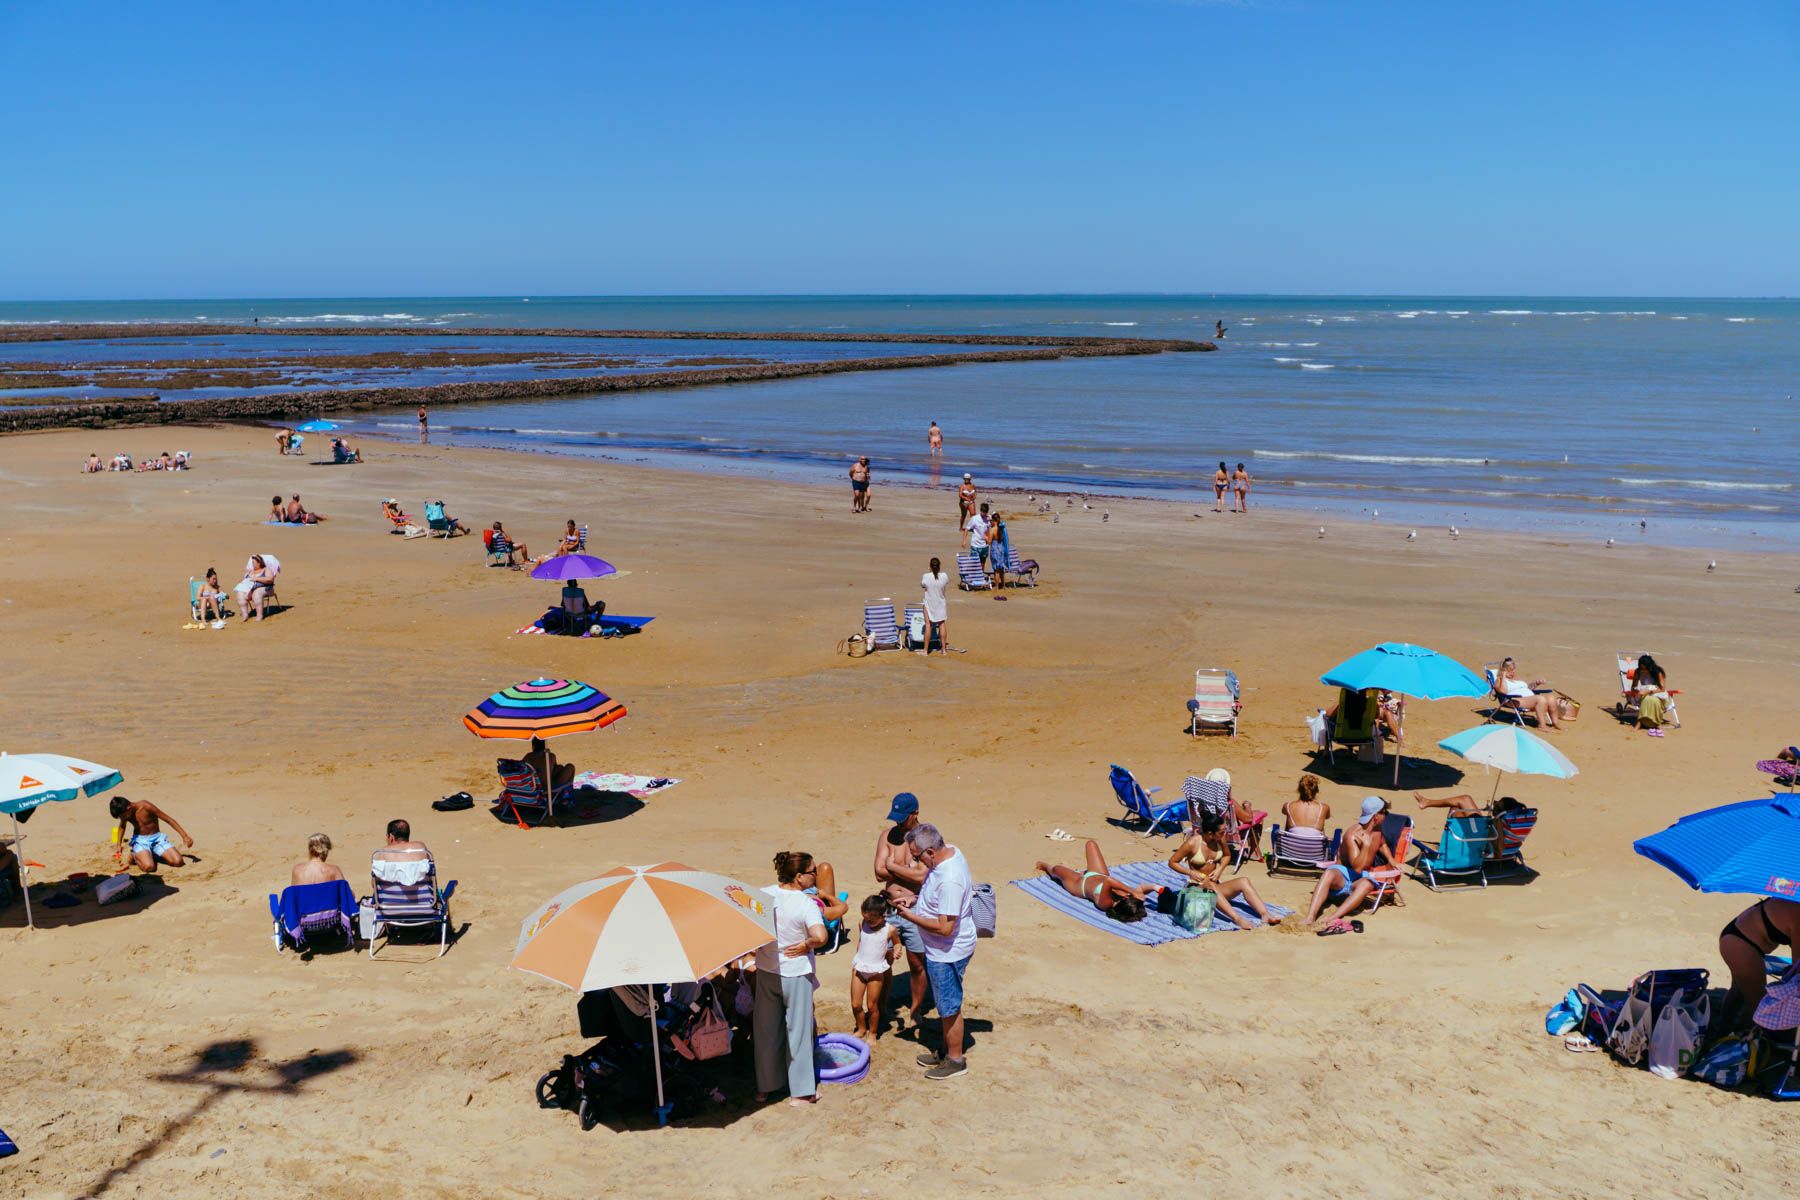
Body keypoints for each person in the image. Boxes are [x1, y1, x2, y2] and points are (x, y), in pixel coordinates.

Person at [891, 823, 975, 1080]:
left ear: (930, 852)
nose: (917, 863)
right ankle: (945, 1049)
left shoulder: (950, 879)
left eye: (917, 857)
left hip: (947, 951)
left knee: (948, 1007)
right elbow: (933, 893)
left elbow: (945, 927)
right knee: (943, 1004)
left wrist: (911, 916)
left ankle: (955, 1059)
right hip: (943, 949)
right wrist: (915, 901)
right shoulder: (949, 853)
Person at [754, 850, 828, 1106]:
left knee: (766, 1031)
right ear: (799, 877)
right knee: (798, 1031)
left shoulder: (763, 895)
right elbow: (821, 937)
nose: (816, 875)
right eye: (812, 872)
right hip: (795, 973)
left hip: (766, 969)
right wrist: (806, 944)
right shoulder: (805, 904)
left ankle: (765, 1087)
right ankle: (801, 1091)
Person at [873, 793, 931, 1027]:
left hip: (916, 908)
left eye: (902, 818)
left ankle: (916, 1010)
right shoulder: (887, 836)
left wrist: (891, 865)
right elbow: (878, 873)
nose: (897, 823)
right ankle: (882, 1005)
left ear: (915, 813)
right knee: (881, 959)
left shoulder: (927, 837)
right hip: (889, 907)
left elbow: (921, 875)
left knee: (917, 963)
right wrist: (905, 868)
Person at [1168, 811, 1283, 928]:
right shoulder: (1192, 843)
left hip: (1215, 887)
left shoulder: (1220, 839)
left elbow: (1227, 856)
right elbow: (1172, 862)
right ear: (1210, 834)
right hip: (1196, 889)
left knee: (1243, 881)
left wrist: (1220, 869)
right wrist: (1190, 872)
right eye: (1222, 832)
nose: (1225, 834)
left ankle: (1265, 914)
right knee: (1210, 886)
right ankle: (1237, 919)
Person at [1302, 797, 1399, 927]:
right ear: (1376, 816)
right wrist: (1365, 846)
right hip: (1342, 878)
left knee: (1367, 884)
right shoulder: (1352, 835)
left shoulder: (1378, 831)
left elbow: (1382, 844)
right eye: (1385, 812)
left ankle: (1333, 917)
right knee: (1329, 873)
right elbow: (1357, 868)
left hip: (1359, 880)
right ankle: (1310, 917)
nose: (1386, 816)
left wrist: (1391, 859)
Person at [1719, 897, 1800, 1030]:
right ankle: (1755, 1041)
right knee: (1759, 1007)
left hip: (1734, 937)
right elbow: (1797, 966)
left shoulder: (1793, 898)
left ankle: (1721, 1029)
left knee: (1738, 992)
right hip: (1742, 947)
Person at [1036, 839, 1149, 922]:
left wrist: (1133, 892)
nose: (1128, 896)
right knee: (1091, 844)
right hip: (1099, 874)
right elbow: (1142, 889)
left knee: (1056, 870)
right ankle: (1082, 872)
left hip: (1079, 885)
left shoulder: (1106, 904)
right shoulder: (1127, 900)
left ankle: (1045, 866)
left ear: (1123, 904)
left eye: (1128, 898)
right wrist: (1154, 888)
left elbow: (1109, 881)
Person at [850, 895, 902, 1042]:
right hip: (860, 968)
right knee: (855, 1004)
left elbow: (897, 943)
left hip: (876, 971)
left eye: (872, 920)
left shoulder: (889, 929)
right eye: (866, 918)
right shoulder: (862, 924)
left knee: (872, 1006)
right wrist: (858, 957)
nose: (868, 921)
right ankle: (861, 1028)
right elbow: (861, 940)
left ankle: (872, 1032)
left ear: (882, 915)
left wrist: (897, 950)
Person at [110, 796, 192, 872]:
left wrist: (185, 836)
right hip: (140, 840)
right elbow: (122, 826)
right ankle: (134, 855)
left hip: (157, 839)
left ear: (129, 808)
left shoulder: (146, 806)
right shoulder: (125, 813)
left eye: (122, 816)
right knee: (149, 867)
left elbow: (169, 820)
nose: (122, 819)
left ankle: (150, 854)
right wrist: (118, 845)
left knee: (178, 862)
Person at [1494, 656, 1559, 729]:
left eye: (1513, 670)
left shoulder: (1516, 680)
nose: (1513, 672)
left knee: (1551, 698)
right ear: (1504, 670)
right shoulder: (1499, 681)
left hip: (1528, 699)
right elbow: (1503, 692)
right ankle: (1542, 726)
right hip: (1513, 700)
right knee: (1540, 699)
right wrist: (1503, 676)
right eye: (1510, 670)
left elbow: (1527, 688)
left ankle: (1555, 723)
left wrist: (1536, 683)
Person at [1627, 654, 1673, 732]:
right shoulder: (1638, 672)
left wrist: (1649, 691)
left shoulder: (1658, 672)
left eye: (1645, 669)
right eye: (1641, 668)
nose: (1643, 670)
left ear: (1650, 666)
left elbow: (1662, 689)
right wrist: (1635, 690)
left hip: (1657, 693)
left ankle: (1646, 723)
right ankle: (1645, 723)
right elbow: (1634, 686)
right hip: (1644, 693)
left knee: (1652, 700)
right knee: (1647, 699)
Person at [920, 557, 949, 655]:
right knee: (942, 624)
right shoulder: (944, 576)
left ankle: (925, 650)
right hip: (940, 603)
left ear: (930, 566)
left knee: (928, 625)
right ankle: (944, 649)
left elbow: (923, 585)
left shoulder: (926, 576)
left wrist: (930, 572)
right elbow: (945, 583)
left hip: (929, 603)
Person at [238, 554, 279, 621]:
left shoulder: (266, 569)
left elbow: (270, 579)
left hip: (266, 588)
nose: (253, 564)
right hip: (250, 589)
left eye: (254, 563)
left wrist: (257, 579)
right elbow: (244, 580)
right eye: (252, 563)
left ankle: (259, 615)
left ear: (259, 562)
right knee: (240, 593)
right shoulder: (249, 572)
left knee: (257, 593)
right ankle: (245, 614)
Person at [986, 510, 1010, 589]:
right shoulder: (1002, 528)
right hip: (1001, 549)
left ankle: (996, 586)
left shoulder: (992, 529)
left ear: (993, 520)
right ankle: (1003, 585)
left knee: (996, 570)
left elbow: (989, 542)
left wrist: (984, 537)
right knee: (1001, 569)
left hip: (995, 550)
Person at [964, 502, 991, 566]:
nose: (985, 514)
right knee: (974, 563)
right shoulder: (974, 519)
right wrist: (964, 541)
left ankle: (981, 575)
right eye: (983, 512)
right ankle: (974, 575)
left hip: (985, 545)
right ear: (981, 511)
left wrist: (991, 520)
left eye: (986, 512)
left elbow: (990, 529)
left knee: (983, 562)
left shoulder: (988, 519)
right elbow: (967, 529)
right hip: (975, 545)